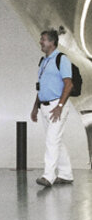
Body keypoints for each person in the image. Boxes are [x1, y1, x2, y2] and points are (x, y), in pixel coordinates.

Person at [30, 29, 74, 187]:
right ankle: (66, 174)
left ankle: (48, 176)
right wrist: (35, 107)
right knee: (56, 141)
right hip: (44, 106)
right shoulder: (43, 61)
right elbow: (41, 86)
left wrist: (60, 106)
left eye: (43, 39)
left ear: (52, 42)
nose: (41, 42)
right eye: (41, 39)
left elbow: (69, 84)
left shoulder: (62, 59)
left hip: (57, 105)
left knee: (51, 140)